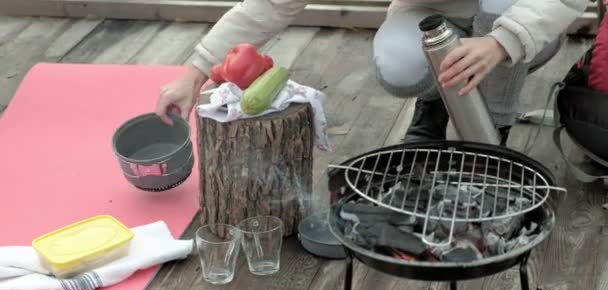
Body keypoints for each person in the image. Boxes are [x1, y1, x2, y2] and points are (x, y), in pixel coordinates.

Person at [155, 0, 588, 145]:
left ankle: (493, 135)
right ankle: (434, 111)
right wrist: (195, 72)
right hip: (430, 12)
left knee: (496, 14)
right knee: (398, 66)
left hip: (514, 15)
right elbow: (270, 4)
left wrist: (503, 41)